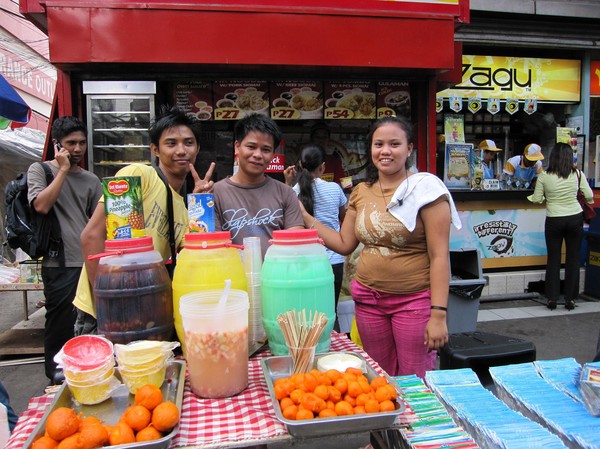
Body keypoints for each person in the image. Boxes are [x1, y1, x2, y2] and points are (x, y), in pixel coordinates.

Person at [299, 115, 461, 377]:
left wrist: (439, 315)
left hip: (413, 302)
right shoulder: (362, 191)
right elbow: (343, 244)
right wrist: (306, 219)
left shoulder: (427, 190)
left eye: (394, 144)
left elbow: (440, 256)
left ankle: (414, 420)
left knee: (415, 379)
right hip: (368, 302)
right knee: (378, 377)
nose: (385, 151)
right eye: (378, 144)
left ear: (409, 149)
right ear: (371, 149)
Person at [73, 107, 215, 334]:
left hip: (143, 311)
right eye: (171, 143)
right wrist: (107, 303)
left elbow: (194, 258)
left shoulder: (182, 207)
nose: (181, 150)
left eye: (188, 143)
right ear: (155, 150)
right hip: (107, 311)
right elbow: (91, 236)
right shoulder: (140, 175)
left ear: (197, 148)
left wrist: (200, 203)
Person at [27, 116, 102, 385]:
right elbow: (41, 205)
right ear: (58, 145)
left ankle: (85, 373)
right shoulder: (40, 170)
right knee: (59, 323)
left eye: (82, 142)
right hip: (58, 263)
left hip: (88, 261)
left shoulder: (92, 180)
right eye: (71, 143)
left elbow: (97, 222)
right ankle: (55, 377)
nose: (78, 149)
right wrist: (61, 170)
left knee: (87, 323)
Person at [213, 113, 304, 258]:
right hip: (231, 279)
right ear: (237, 147)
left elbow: (294, 245)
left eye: (266, 150)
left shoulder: (286, 193)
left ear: (274, 154)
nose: (257, 155)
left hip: (276, 278)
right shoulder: (215, 194)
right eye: (251, 146)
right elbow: (214, 248)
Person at [527, 142, 593, 311]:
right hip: (575, 218)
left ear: (552, 157)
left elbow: (537, 198)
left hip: (554, 220)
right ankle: (570, 299)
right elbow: (590, 195)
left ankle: (552, 299)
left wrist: (539, 199)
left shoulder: (544, 176)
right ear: (570, 157)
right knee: (573, 259)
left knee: (554, 259)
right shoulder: (577, 174)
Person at [292, 143, 347, 331]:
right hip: (334, 259)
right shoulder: (334, 189)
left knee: (307, 314)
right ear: (322, 166)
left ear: (300, 164)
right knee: (331, 313)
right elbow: (344, 218)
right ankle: (335, 352)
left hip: (306, 262)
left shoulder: (293, 192)